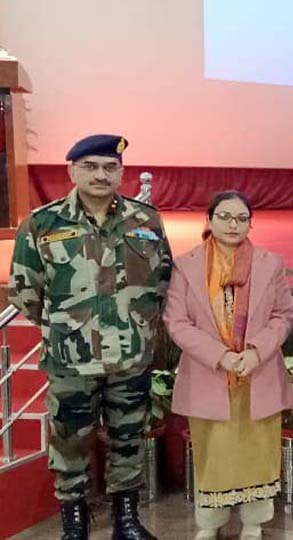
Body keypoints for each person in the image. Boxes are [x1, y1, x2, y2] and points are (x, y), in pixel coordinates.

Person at [7, 134, 172, 540]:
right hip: (70, 359)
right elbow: (26, 291)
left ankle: (126, 521)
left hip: (130, 356)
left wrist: (139, 326)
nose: (101, 175)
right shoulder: (43, 223)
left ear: (121, 172)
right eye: (91, 167)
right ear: (72, 170)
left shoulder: (145, 220)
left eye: (110, 167)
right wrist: (68, 327)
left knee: (128, 439)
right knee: (70, 443)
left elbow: (163, 279)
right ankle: (74, 523)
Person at [164, 191, 293, 540]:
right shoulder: (186, 265)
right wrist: (219, 355)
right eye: (224, 217)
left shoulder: (270, 263)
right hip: (209, 373)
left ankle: (254, 522)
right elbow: (176, 322)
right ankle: (211, 524)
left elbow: (284, 315)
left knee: (258, 451)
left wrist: (256, 351)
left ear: (250, 223)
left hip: (259, 371)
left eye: (240, 218)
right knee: (213, 453)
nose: (232, 224)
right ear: (208, 221)